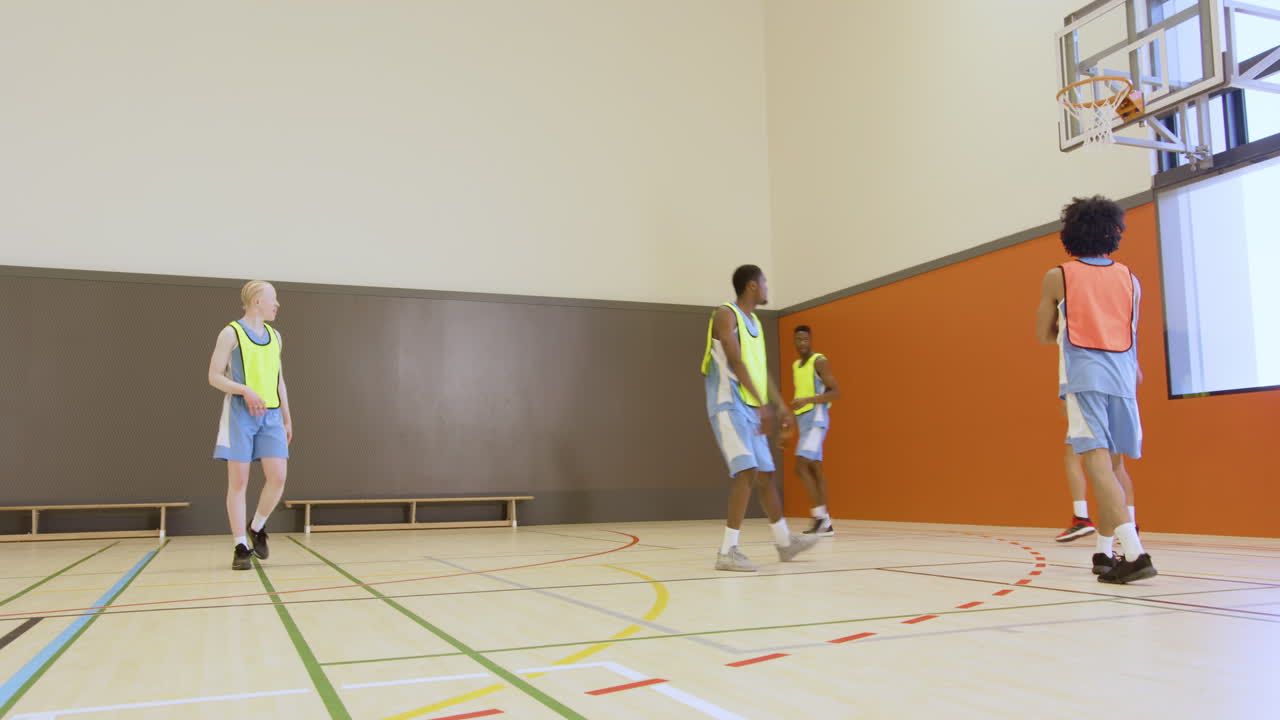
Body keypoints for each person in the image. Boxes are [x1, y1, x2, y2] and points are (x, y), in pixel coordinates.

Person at [1035, 196, 1154, 584]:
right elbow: (1131, 332)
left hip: (1085, 378)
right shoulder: (1130, 278)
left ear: (1070, 233)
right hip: (1124, 378)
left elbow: (1042, 333)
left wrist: (1062, 325)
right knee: (1117, 466)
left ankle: (1134, 554)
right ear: (1113, 232)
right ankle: (1104, 553)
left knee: (1095, 462)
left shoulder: (1059, 276)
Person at [702, 265, 818, 571]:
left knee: (766, 476)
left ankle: (784, 543)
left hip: (751, 408)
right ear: (752, 286)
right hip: (727, 403)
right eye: (765, 283)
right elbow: (735, 359)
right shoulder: (725, 314)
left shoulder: (756, 325)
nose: (768, 288)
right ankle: (727, 552)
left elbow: (760, 371)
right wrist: (764, 406)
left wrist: (778, 406)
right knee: (747, 473)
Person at [207, 281, 293, 571]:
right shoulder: (231, 333)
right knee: (239, 482)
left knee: (278, 477)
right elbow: (214, 376)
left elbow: (279, 380)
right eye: (273, 299)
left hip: (271, 417)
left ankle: (257, 527)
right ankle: (240, 545)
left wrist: (286, 416)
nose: (277, 304)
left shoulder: (276, 336)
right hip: (240, 415)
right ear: (257, 300)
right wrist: (244, 390)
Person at [790, 325, 841, 536]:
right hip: (804, 421)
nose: (802, 343)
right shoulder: (796, 365)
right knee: (815, 470)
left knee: (801, 466)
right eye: (798, 340)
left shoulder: (819, 361)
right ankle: (826, 522)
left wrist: (807, 400)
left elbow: (835, 393)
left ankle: (819, 518)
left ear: (810, 340)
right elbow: (800, 395)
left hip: (817, 420)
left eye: (805, 339)